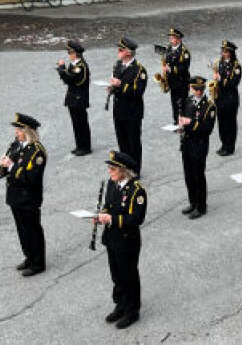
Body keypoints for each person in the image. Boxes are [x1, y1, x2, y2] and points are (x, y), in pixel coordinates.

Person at [95, 151, 147, 330]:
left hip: (127, 240)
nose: (109, 171)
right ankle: (121, 304)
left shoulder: (137, 191)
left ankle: (132, 311)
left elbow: (136, 219)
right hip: (112, 237)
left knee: (129, 275)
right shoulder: (113, 183)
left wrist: (111, 219)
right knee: (116, 274)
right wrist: (101, 214)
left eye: (113, 168)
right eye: (109, 167)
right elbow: (109, 205)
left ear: (124, 170)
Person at [0, 113, 47, 276]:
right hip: (15, 195)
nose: (16, 133)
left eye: (19, 130)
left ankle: (38, 262)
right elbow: (9, 165)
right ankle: (29, 256)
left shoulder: (37, 152)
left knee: (32, 230)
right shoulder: (16, 145)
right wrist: (1, 168)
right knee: (22, 230)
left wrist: (10, 167)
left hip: (28, 197)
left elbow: (30, 178)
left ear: (28, 131)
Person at [179, 76, 216, 219]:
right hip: (187, 143)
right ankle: (192, 202)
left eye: (201, 89)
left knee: (198, 176)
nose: (199, 92)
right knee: (188, 175)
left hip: (199, 145)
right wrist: (181, 127)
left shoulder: (209, 106)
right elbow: (185, 119)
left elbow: (207, 128)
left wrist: (190, 122)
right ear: (191, 88)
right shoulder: (188, 101)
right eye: (196, 89)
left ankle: (201, 206)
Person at [110, 36, 147, 167]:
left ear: (128, 52)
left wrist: (120, 84)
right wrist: (112, 88)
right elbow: (116, 84)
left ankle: (135, 169)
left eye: (120, 49)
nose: (118, 51)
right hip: (119, 110)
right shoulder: (118, 65)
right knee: (122, 141)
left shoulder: (139, 70)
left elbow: (138, 92)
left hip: (132, 112)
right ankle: (124, 168)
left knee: (133, 143)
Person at [57, 40, 91, 156]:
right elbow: (68, 78)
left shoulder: (81, 66)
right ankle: (79, 145)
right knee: (76, 123)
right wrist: (64, 71)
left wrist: (62, 69)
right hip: (72, 98)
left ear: (75, 53)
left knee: (81, 123)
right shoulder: (74, 65)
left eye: (70, 53)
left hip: (79, 99)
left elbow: (71, 80)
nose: (69, 55)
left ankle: (86, 147)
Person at [214, 40, 242, 157]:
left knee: (230, 123)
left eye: (225, 52)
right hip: (220, 97)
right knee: (221, 122)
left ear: (231, 53)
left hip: (230, 98)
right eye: (222, 51)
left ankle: (230, 147)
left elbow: (233, 83)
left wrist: (220, 79)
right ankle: (223, 144)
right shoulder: (219, 63)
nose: (223, 53)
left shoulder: (236, 66)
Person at [163, 28, 191, 123]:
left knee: (182, 103)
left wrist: (171, 69)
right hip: (172, 81)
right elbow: (167, 61)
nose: (171, 40)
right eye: (170, 38)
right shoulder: (169, 49)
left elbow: (184, 68)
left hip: (182, 82)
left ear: (179, 39)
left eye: (173, 38)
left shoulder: (184, 52)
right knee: (174, 102)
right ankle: (176, 121)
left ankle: (183, 122)